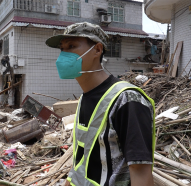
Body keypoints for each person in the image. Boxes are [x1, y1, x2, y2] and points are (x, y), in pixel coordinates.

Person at [45, 22, 155, 186]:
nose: (64, 55)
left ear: (97, 49)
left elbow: (141, 175)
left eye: (72, 46)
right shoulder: (84, 100)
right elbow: (80, 165)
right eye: (62, 48)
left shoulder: (127, 100)